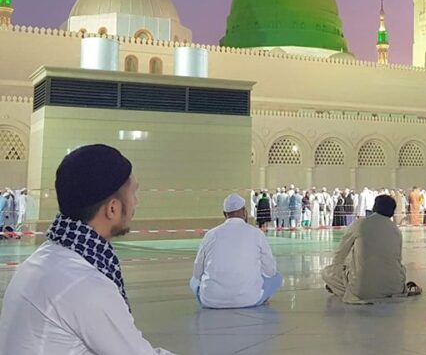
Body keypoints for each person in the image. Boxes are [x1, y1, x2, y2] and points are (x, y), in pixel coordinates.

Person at [0, 144, 175, 354]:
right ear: (113, 208)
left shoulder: (47, 256)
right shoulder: (86, 285)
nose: (136, 202)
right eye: (133, 193)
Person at [322, 194, 420, 303]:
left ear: (374, 207)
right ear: (392, 212)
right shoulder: (396, 230)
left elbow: (340, 254)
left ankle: (342, 288)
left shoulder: (360, 223)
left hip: (364, 291)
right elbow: (397, 259)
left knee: (327, 272)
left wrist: (338, 271)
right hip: (395, 288)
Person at [190, 193, 282, 308]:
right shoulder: (257, 233)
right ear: (244, 212)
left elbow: (197, 272)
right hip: (249, 299)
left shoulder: (211, 234)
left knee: (193, 281)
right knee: (277, 278)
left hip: (211, 300)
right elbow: (270, 270)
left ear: (225, 214)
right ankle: (260, 298)